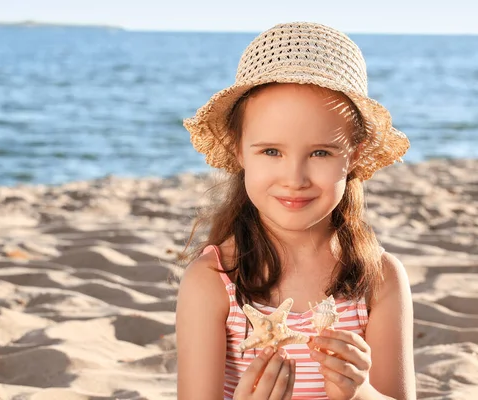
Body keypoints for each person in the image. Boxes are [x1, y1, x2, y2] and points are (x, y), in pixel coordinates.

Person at [176, 22, 416, 400]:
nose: (295, 178)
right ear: (240, 150)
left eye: (320, 152)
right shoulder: (212, 280)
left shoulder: (379, 278)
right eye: (271, 151)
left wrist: (361, 393)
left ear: (352, 155)